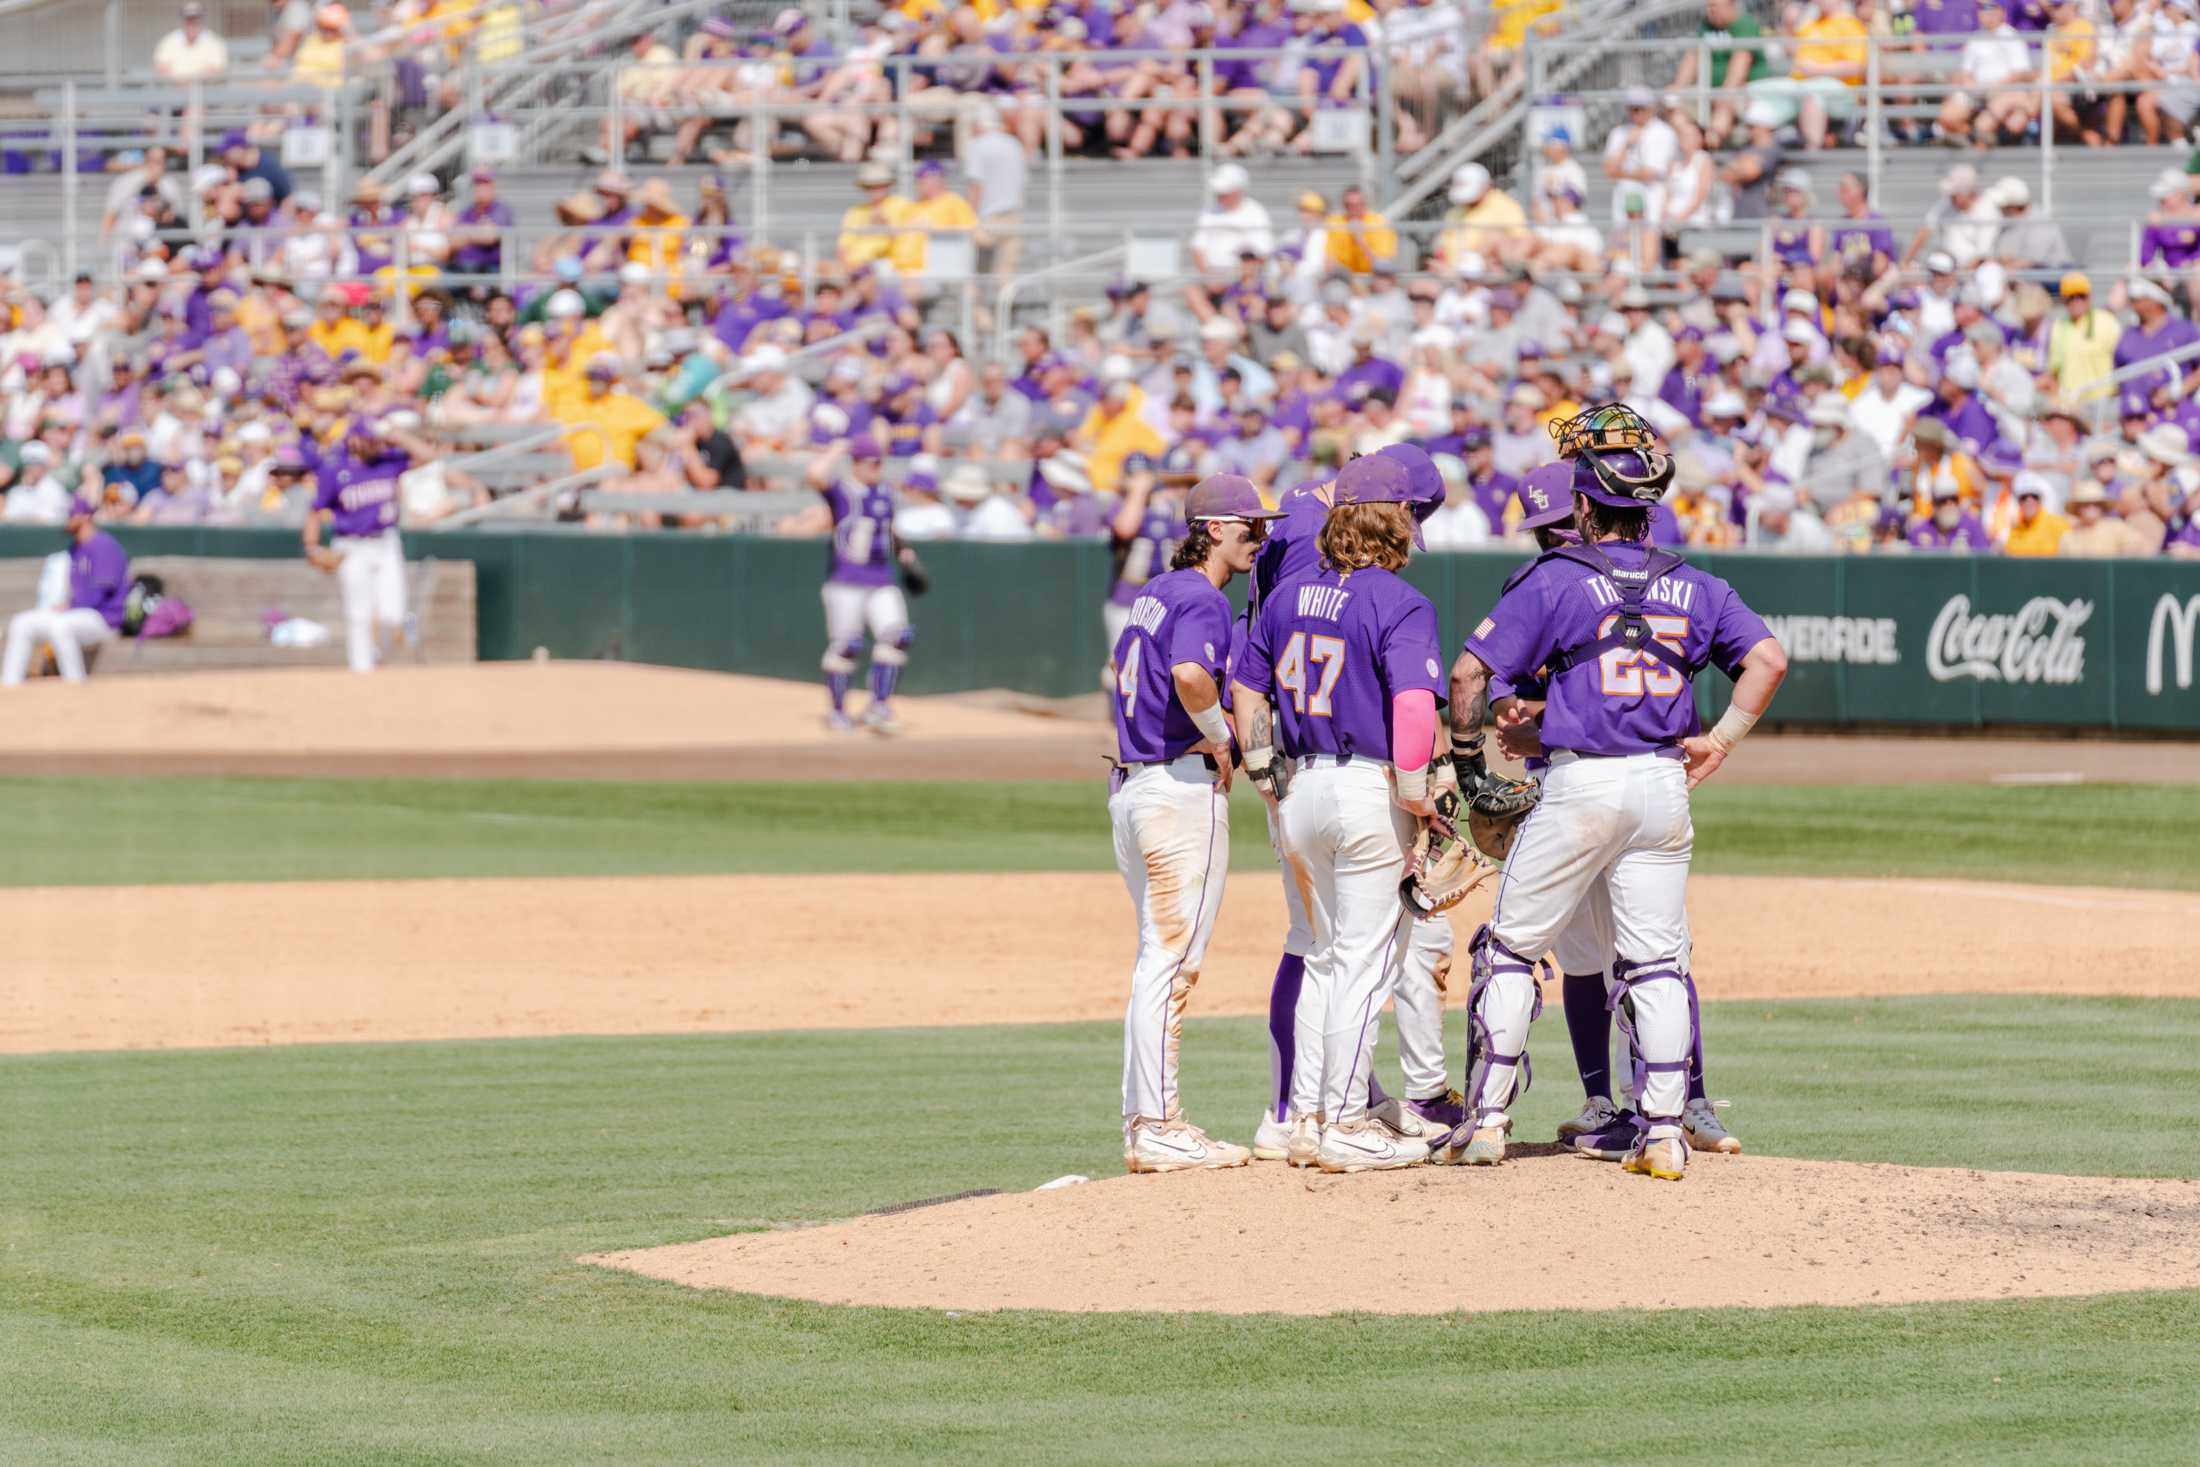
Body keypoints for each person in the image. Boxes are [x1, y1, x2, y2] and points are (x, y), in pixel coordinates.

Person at [1440, 403, 1787, 1180]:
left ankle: (1487, 1120)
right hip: (1664, 782)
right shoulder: (1697, 584)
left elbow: (1467, 675)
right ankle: (1663, 1132)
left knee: (1509, 949)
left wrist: (1468, 767)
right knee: (1658, 960)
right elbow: (1768, 659)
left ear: (1588, 505)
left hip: (1580, 782)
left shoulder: (1557, 577)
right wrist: (1721, 739)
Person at [1489, 466, 1743, 1159]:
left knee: (1651, 952)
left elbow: (1580, 699)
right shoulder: (1542, 587)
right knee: (1592, 957)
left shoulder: (1576, 585)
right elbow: (1520, 691)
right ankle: (1610, 1099)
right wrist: (1518, 723)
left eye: (1561, 527)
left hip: (1588, 785)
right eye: (1547, 533)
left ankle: (1681, 1098)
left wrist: (1521, 731)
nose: (1555, 540)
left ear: (1585, 514)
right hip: (1580, 785)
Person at [1243, 444, 1461, 1168]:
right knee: (1365, 965)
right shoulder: (1400, 601)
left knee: (1326, 957)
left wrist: (1257, 763)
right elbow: (1410, 705)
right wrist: (1416, 797)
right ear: (1392, 521)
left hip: (1298, 785)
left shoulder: (1285, 597)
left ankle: (1305, 1114)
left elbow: (1247, 689)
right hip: (1368, 789)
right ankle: (1345, 1123)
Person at [1110, 473, 1280, 1175]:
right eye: (1249, 525)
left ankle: (1146, 1119)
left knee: (1157, 957)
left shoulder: (1153, 590)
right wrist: (1218, 736)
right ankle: (1158, 1123)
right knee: (1171, 962)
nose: (1259, 536)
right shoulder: (1203, 598)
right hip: (1176, 789)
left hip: (1131, 785)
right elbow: (1189, 675)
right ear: (1212, 528)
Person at [303, 411, 428, 673]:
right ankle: (361, 672)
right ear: (355, 440)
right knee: (358, 613)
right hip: (351, 546)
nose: (375, 443)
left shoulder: (387, 460)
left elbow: (428, 456)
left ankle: (377, 656)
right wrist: (311, 545)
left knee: (393, 614)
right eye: (370, 439)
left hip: (385, 542)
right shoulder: (335, 469)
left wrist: (397, 435)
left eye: (376, 439)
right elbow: (315, 510)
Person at [808, 434, 915, 734]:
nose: (876, 469)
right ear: (856, 463)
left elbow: (888, 526)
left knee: (898, 635)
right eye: (870, 463)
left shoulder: (884, 493)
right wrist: (836, 449)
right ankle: (838, 711)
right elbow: (814, 475)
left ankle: (878, 705)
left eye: (880, 463)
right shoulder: (844, 492)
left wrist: (904, 550)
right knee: (846, 646)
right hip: (846, 580)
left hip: (881, 577)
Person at [1, 497, 128, 686]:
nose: (67, 520)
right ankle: (10, 685)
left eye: (71, 515)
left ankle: (75, 684)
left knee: (60, 626)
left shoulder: (103, 545)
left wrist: (69, 606)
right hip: (75, 614)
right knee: (22, 623)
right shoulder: (75, 548)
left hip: (104, 619)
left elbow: (99, 595)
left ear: (85, 517)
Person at [153, 1, 229, 80]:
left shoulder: (214, 42)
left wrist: (192, 82)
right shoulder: (169, 41)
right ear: (182, 20)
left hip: (206, 89)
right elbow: (161, 68)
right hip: (174, 89)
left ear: (202, 20)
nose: (192, 23)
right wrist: (180, 81)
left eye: (195, 19)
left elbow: (217, 70)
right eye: (188, 19)